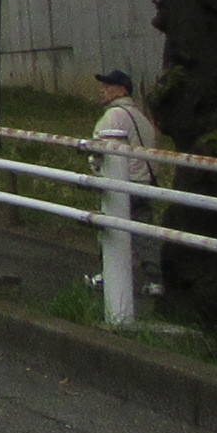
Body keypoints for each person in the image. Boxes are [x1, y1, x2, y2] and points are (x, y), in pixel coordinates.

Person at [93, 69, 169, 299]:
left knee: (111, 230)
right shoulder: (140, 117)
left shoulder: (114, 116)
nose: (102, 90)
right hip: (144, 181)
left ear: (122, 90)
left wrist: (96, 171)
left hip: (123, 182)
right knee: (143, 232)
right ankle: (156, 279)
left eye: (108, 86)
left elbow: (100, 149)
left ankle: (109, 276)